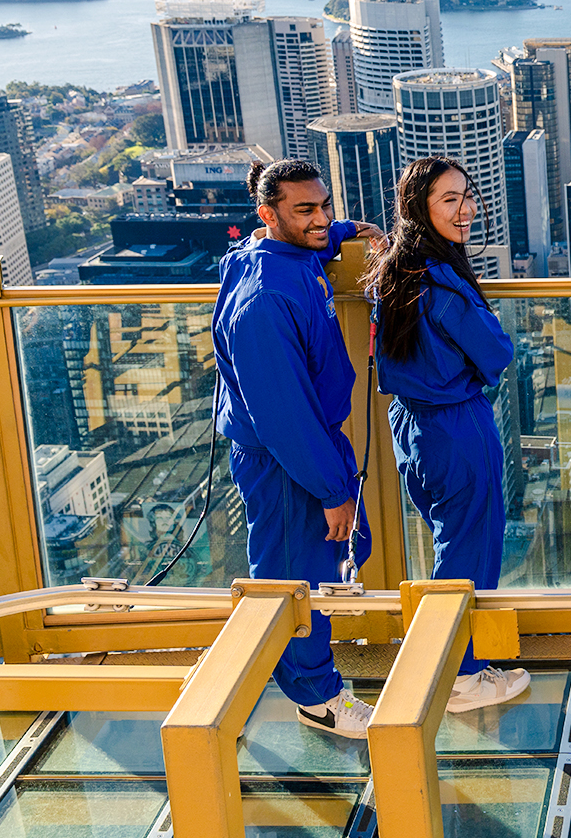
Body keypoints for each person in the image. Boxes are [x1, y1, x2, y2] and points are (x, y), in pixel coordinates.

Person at [213, 159, 384, 739]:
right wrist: (333, 489)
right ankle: (317, 699)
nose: (320, 219)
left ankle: (302, 669)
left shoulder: (277, 253)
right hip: (286, 459)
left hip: (307, 443)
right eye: (305, 210)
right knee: (296, 576)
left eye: (324, 206)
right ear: (268, 215)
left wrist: (344, 231)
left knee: (321, 561)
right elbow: (284, 416)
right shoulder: (266, 300)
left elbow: (302, 239)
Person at [369, 156, 530, 713]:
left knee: (448, 539)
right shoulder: (444, 282)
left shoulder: (393, 268)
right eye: (448, 200)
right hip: (457, 425)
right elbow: (498, 351)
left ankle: (449, 660)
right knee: (469, 548)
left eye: (467, 195)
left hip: (410, 425)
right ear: (420, 208)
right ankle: (459, 677)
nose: (465, 210)